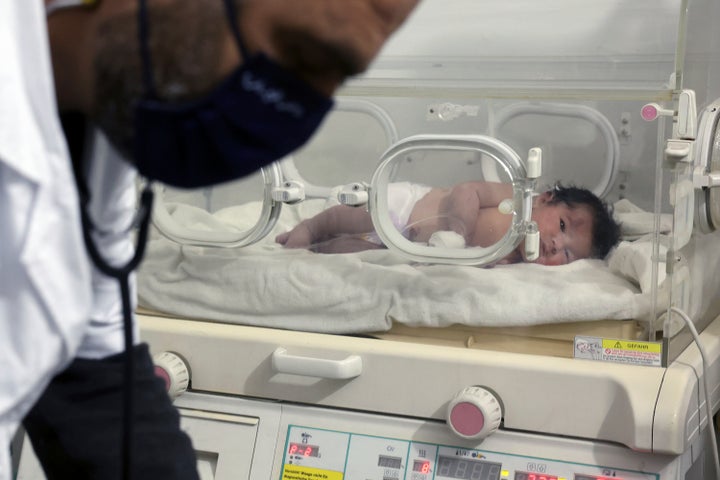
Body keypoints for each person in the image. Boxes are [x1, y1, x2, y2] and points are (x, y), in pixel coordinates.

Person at [2, 0, 419, 479]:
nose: (290, 115)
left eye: (332, 79)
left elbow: (95, 375)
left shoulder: (98, 142)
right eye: (298, 54)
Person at [276, 181, 622, 266]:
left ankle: (316, 250)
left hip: (407, 250)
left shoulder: (513, 261)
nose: (555, 245)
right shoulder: (514, 198)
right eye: (562, 227)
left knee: (350, 253)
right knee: (351, 215)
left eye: (567, 255)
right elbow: (466, 191)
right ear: (545, 197)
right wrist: (459, 229)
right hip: (407, 210)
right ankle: (311, 227)